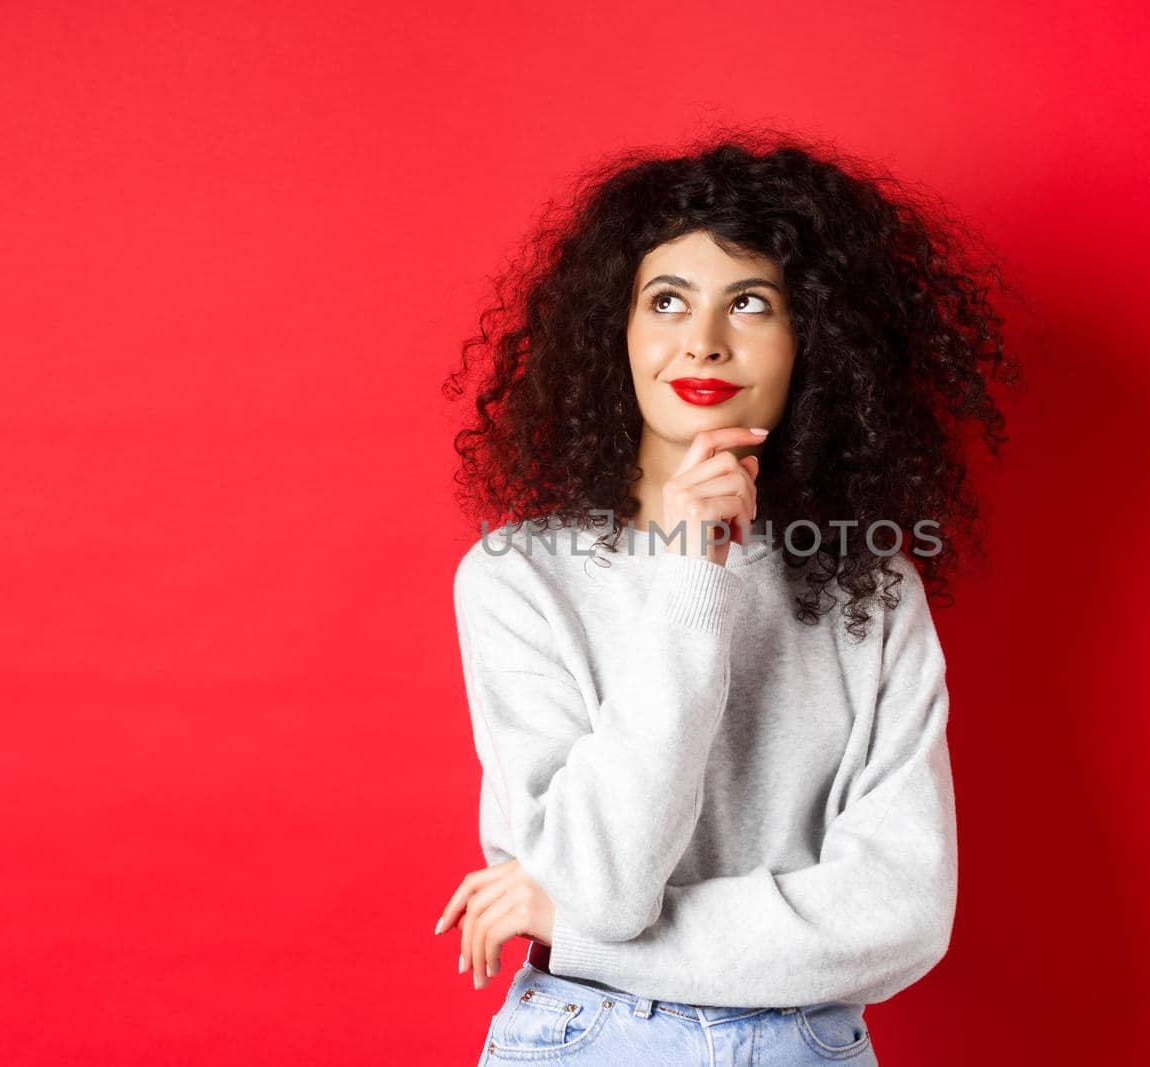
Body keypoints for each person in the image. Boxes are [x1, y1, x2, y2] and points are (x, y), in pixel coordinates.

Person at [434, 128, 1020, 1064]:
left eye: (750, 302)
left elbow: (901, 914)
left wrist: (585, 935)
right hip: (589, 1042)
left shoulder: (871, 588)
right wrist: (692, 572)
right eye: (667, 300)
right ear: (616, 331)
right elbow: (605, 882)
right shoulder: (518, 579)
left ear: (811, 341)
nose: (702, 341)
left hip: (804, 1045)